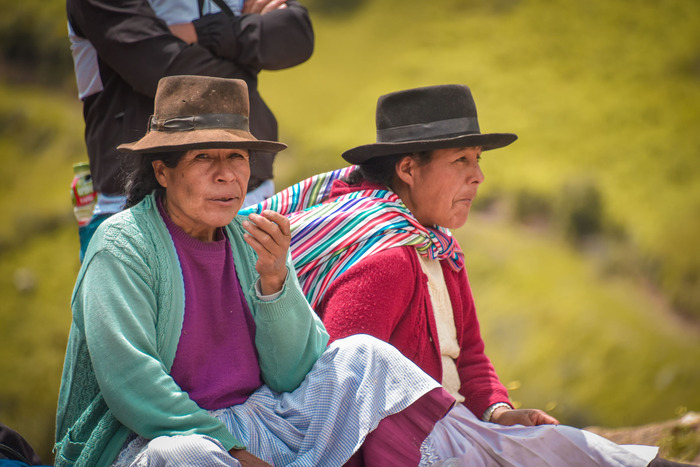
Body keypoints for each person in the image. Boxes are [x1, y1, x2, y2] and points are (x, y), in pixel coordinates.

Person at [243, 84, 690, 466]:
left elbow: (470, 356)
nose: (478, 176)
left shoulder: (437, 247)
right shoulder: (385, 259)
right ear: (408, 169)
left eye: (476, 160)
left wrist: (497, 412)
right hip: (419, 445)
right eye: (461, 160)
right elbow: (342, 394)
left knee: (572, 448)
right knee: (578, 452)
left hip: (458, 431)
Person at [54, 75, 464, 467]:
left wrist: (275, 285)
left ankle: (479, 448)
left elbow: (295, 373)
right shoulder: (124, 245)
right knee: (184, 457)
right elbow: (133, 383)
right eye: (204, 157)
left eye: (237, 156)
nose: (226, 174)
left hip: (256, 421)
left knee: (366, 357)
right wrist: (231, 452)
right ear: (162, 171)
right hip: (150, 439)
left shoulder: (248, 238)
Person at [67, 0, 314, 260]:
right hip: (140, 211)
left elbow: (297, 34)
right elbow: (164, 69)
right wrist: (245, 49)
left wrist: (202, 33)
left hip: (252, 201)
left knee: (268, 295)